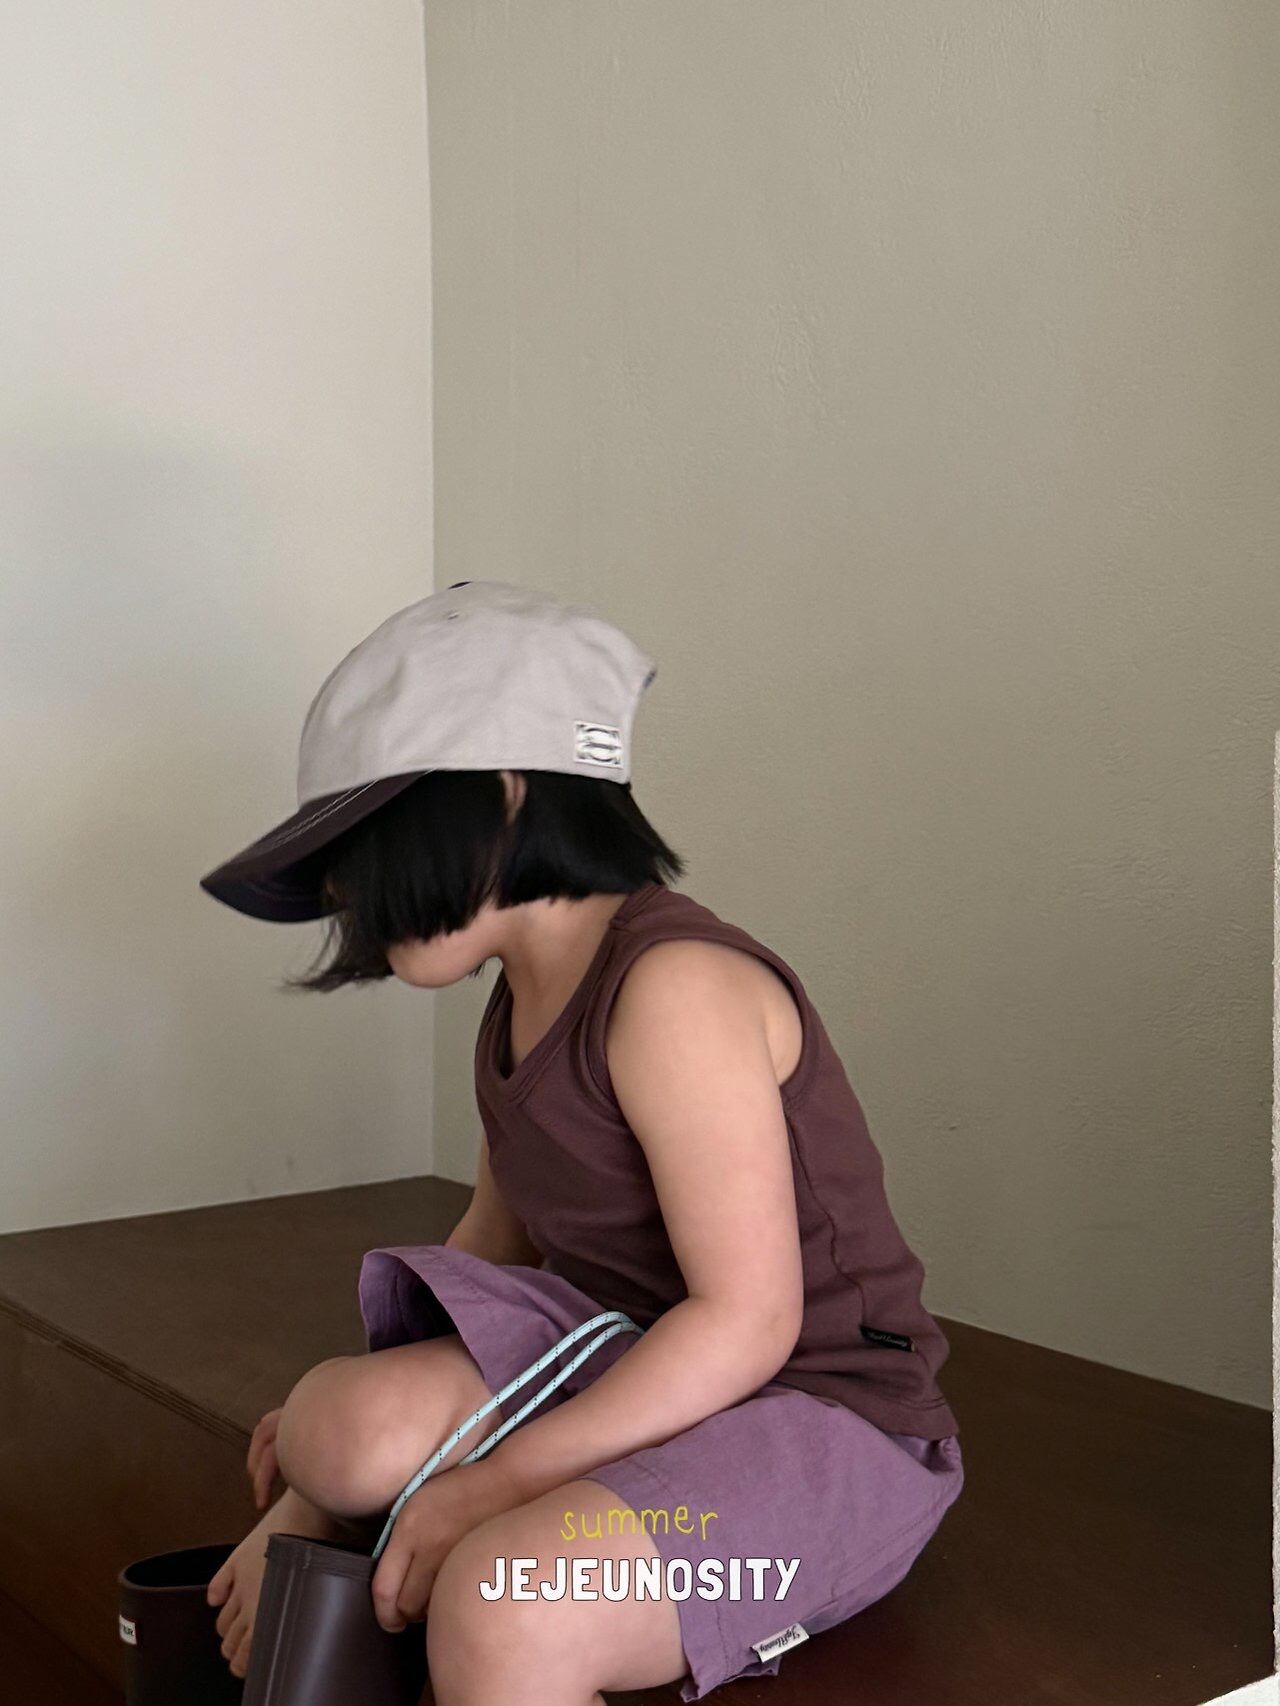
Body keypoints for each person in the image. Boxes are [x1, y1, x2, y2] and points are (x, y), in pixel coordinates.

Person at [199, 581, 963, 1703]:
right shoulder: (518, 1001)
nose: (339, 885)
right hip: (632, 1359)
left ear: (505, 795)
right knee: (336, 1424)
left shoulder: (674, 990)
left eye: (364, 841)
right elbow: (497, 1247)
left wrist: (493, 1483)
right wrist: (318, 1494)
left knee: (503, 1605)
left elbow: (748, 1321)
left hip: (824, 1420)